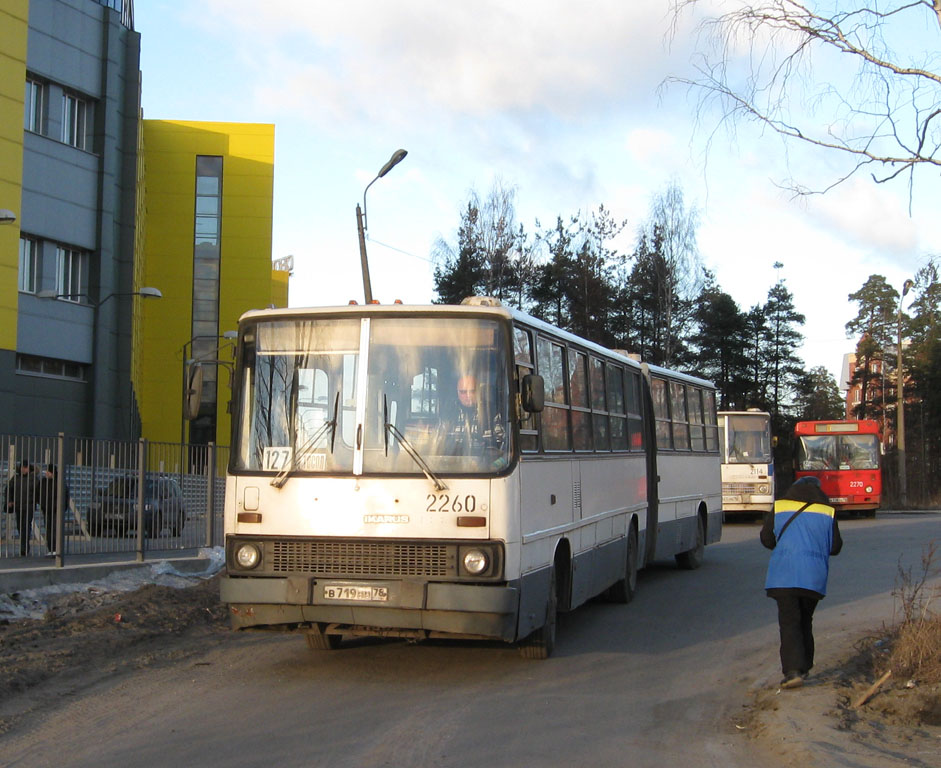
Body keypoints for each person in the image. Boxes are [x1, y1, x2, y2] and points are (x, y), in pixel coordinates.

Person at [761, 476, 843, 689]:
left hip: (784, 574)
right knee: (805, 619)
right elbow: (835, 547)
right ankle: (804, 666)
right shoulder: (827, 512)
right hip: (813, 577)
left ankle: (793, 671)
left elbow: (766, 539)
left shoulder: (780, 506)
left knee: (790, 622)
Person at [443, 374, 505, 456]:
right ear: (457, 393)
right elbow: (441, 443)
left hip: (484, 466)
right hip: (453, 465)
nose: (468, 396)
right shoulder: (449, 413)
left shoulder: (492, 412)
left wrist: (494, 465)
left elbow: (504, 449)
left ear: (478, 391)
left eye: (472, 391)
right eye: (463, 392)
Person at [6, 461, 38, 557]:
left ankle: (24, 548)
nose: (23, 469)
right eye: (22, 467)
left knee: (26, 526)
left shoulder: (33, 479)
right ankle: (24, 546)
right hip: (18, 506)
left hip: (29, 506)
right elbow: (8, 489)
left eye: (25, 467)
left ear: (29, 468)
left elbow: (38, 491)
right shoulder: (16, 478)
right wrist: (9, 500)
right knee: (20, 527)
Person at [38, 464, 70, 557]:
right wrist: (42, 504)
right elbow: (38, 493)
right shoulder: (43, 482)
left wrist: (62, 507)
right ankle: (51, 549)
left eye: (48, 471)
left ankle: (57, 549)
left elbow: (65, 496)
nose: (46, 473)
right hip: (46, 509)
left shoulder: (59, 483)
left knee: (56, 529)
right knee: (48, 529)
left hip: (57, 510)